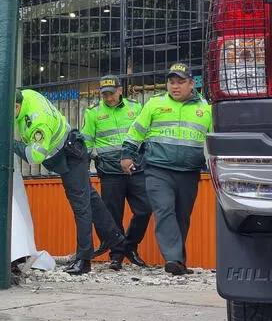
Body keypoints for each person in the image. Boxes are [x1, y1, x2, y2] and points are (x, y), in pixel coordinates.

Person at [14, 89, 125, 275]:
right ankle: (115, 239)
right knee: (91, 199)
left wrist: (10, 144)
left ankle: (84, 259)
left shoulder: (37, 119)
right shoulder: (25, 94)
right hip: (70, 150)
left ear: (17, 106)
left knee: (81, 207)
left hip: (71, 155)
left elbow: (34, 156)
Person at [121, 63, 212, 276]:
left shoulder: (206, 108)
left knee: (182, 216)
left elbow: (217, 137)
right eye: (172, 82)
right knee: (164, 210)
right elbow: (136, 131)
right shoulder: (155, 104)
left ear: (192, 84)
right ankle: (173, 258)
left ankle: (179, 262)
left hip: (189, 172)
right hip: (158, 169)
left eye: (180, 82)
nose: (175, 86)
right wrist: (126, 155)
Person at [82, 76, 151, 270]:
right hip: (110, 171)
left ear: (120, 90)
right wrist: (83, 168)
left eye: (111, 93)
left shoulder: (136, 108)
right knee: (113, 215)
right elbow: (87, 142)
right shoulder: (93, 113)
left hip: (135, 169)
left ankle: (130, 245)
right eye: (104, 94)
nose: (108, 98)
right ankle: (117, 255)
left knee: (145, 209)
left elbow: (145, 134)